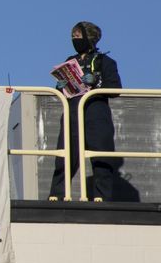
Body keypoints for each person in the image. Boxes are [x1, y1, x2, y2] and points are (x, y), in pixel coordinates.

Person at [48, 21, 121, 202]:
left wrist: (96, 82)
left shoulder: (105, 61)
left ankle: (102, 197)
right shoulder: (69, 61)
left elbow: (115, 89)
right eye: (73, 36)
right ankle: (57, 195)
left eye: (78, 36)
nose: (75, 39)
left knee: (100, 154)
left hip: (96, 112)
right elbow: (61, 92)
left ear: (90, 38)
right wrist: (60, 87)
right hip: (72, 112)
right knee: (65, 155)